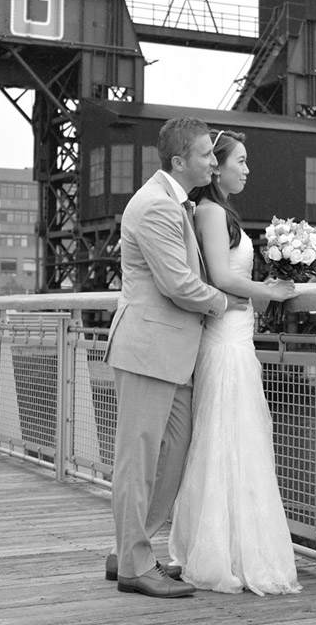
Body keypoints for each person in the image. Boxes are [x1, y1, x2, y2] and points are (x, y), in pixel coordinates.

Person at [103, 117, 248, 599]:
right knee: (138, 461)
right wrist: (228, 303)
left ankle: (131, 549)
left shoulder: (177, 203)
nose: (213, 160)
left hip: (172, 352)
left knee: (174, 454)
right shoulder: (155, 207)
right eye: (207, 154)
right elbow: (178, 284)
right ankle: (134, 566)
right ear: (180, 160)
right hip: (149, 350)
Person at [168, 129, 303, 595]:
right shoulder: (208, 210)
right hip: (225, 341)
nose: (246, 170)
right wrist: (268, 290)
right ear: (217, 167)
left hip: (237, 336)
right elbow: (222, 275)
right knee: (226, 440)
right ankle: (221, 553)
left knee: (241, 440)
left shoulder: (223, 213)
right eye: (238, 161)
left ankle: (235, 546)